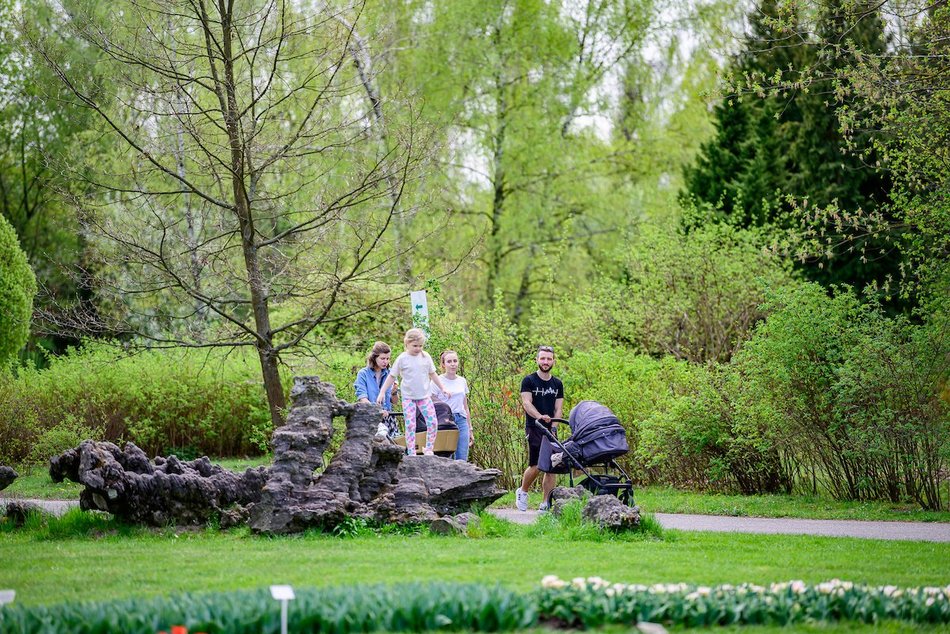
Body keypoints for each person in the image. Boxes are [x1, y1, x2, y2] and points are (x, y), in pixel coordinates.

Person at [377, 328, 449, 455]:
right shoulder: (402, 359)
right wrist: (382, 392)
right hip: (409, 397)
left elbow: (433, 374)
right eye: (415, 346)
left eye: (420, 346)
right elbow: (392, 376)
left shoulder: (426, 356)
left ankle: (429, 448)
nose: (418, 348)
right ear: (407, 344)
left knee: (432, 422)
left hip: (425, 396)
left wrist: (443, 388)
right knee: (411, 425)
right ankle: (411, 452)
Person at [515, 345, 564, 512]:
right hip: (534, 426)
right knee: (536, 465)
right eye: (542, 358)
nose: (545, 362)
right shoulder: (528, 381)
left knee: (552, 466)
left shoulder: (557, 383)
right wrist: (539, 417)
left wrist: (554, 427)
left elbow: (558, 408)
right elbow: (526, 403)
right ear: (537, 360)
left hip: (551, 429)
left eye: (549, 359)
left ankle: (545, 502)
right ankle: (523, 491)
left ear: (553, 361)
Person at [433, 350, 473, 461]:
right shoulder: (437, 381)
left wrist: (470, 429)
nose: (452, 364)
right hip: (444, 421)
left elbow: (465, 406)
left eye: (455, 361)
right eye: (449, 361)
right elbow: (430, 400)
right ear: (443, 364)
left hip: (461, 419)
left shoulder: (462, 381)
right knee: (446, 457)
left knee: (462, 456)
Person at [354, 341, 397, 440]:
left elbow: (394, 401)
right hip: (371, 417)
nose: (385, 361)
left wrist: (394, 392)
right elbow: (362, 399)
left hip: (388, 417)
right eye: (382, 358)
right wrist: (377, 411)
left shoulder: (390, 373)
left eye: (387, 358)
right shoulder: (363, 374)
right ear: (374, 358)